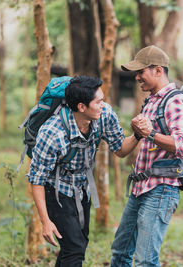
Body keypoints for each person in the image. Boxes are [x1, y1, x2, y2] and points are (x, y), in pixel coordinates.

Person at [27, 76, 139, 267]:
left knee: (78, 243)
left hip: (82, 190)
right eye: (98, 101)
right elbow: (37, 179)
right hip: (56, 191)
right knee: (74, 249)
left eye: (103, 99)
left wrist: (138, 135)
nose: (103, 105)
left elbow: (120, 149)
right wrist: (45, 221)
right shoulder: (52, 132)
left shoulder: (104, 115)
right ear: (81, 107)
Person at [110, 45, 183, 266]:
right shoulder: (151, 101)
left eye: (141, 72)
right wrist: (138, 134)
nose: (137, 77)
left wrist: (151, 133)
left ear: (158, 70)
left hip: (160, 189)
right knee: (120, 253)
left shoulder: (176, 100)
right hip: (140, 187)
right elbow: (136, 142)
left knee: (145, 260)